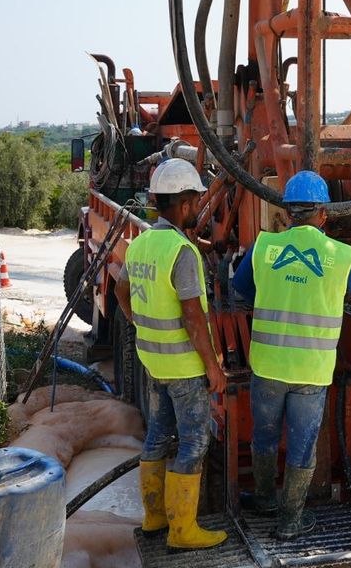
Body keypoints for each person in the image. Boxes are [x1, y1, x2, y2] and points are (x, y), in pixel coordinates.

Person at [231, 170, 351, 539]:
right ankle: (290, 519)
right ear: (323, 214)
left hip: (267, 366)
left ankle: (265, 498)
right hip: (311, 372)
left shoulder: (264, 247)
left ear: (287, 212)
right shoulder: (341, 256)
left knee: (265, 436)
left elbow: (238, 291)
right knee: (302, 445)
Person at [114, 158, 227, 551]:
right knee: (194, 442)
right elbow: (193, 315)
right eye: (195, 201)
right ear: (183, 203)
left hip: (153, 361)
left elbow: (120, 291)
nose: (197, 208)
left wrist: (140, 322)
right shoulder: (182, 252)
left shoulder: (140, 244)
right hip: (183, 365)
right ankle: (183, 531)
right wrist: (213, 367)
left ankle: (154, 518)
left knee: (158, 435)